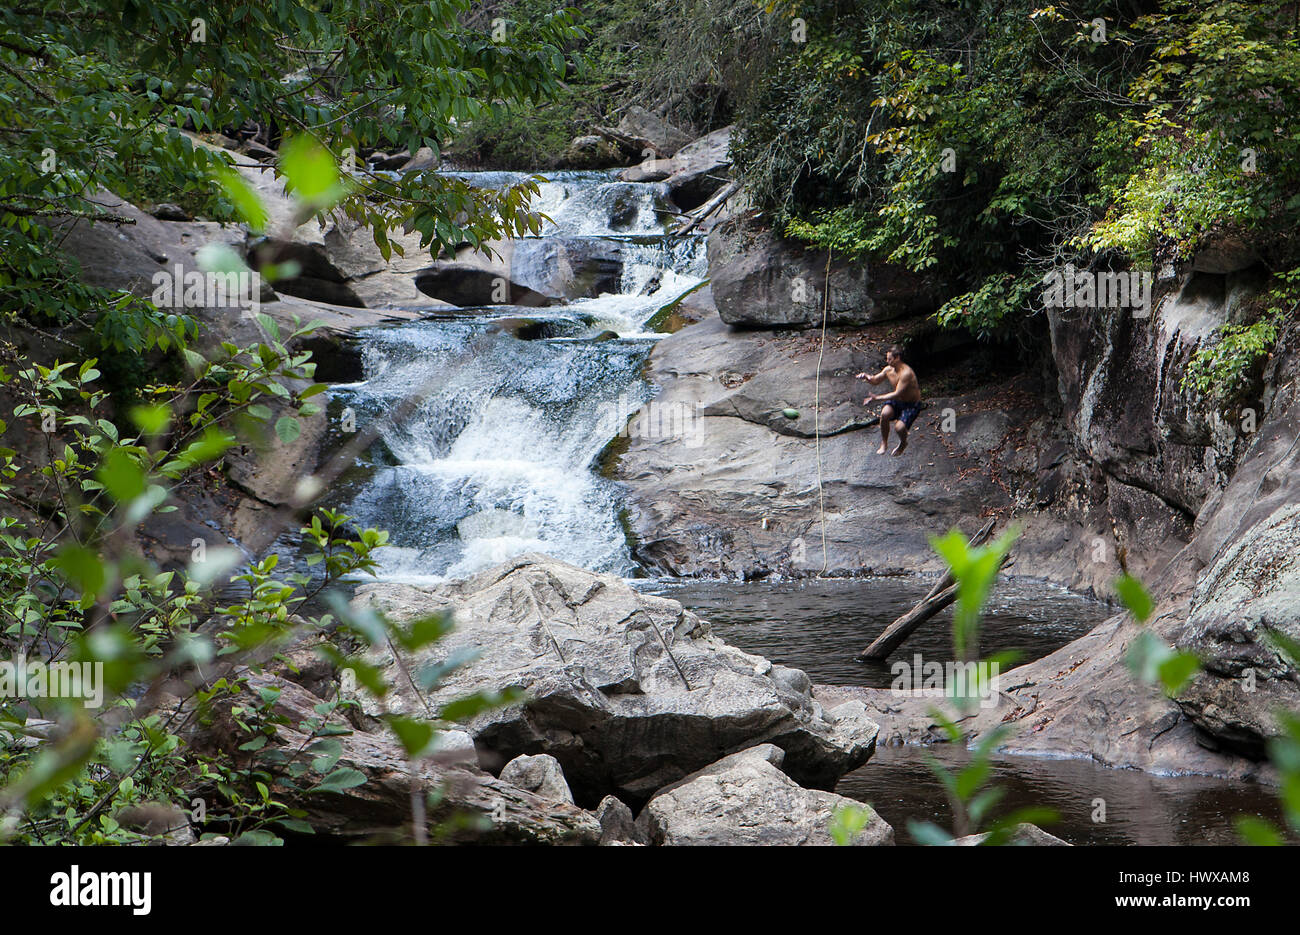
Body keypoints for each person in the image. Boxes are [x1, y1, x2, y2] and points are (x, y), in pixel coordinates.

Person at [856, 345, 922, 456]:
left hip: (911, 404)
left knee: (899, 428)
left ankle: (903, 443)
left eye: (890, 359)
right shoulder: (888, 370)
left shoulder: (906, 373)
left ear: (898, 358)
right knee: (884, 414)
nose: (887, 361)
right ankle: (884, 443)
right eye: (887, 358)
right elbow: (875, 380)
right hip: (897, 401)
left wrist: (877, 398)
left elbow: (897, 393)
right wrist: (867, 377)